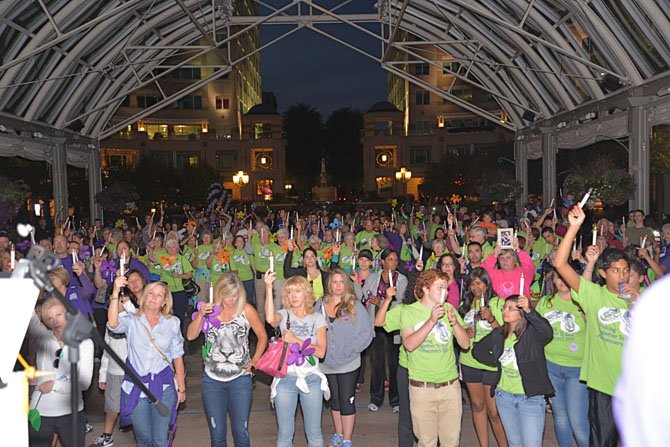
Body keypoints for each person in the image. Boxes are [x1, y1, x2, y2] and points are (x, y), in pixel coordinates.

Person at [553, 205, 633, 447]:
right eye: (616, 271)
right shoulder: (594, 296)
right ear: (603, 273)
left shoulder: (641, 299)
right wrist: (574, 227)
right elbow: (561, 264)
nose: (622, 276)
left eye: (626, 271)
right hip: (603, 388)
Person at [186, 272, 268, 447]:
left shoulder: (246, 310)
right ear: (219, 293)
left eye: (235, 295)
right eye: (227, 295)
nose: (231, 300)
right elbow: (191, 336)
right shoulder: (209, 311)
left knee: (241, 433)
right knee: (217, 434)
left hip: (241, 379)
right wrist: (200, 315)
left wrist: (254, 362)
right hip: (211, 380)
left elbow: (262, 336)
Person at [107, 281, 186, 447]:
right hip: (136, 388)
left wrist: (181, 389)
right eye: (150, 293)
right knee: (144, 439)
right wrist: (115, 291)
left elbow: (177, 356)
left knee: (160, 440)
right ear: (144, 296)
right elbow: (113, 325)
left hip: (163, 387)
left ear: (165, 301)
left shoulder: (173, 323)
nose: (153, 298)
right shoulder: (132, 320)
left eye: (159, 295)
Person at [400, 269, 470, 447]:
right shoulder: (409, 311)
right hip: (422, 388)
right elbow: (409, 344)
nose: (444, 292)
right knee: (426, 442)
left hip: (450, 387)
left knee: (451, 441)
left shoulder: (449, 309)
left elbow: (465, 344)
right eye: (439, 287)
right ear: (425, 288)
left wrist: (455, 324)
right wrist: (431, 321)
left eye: (446, 288)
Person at [473, 295, 554, 447]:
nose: (505, 311)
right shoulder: (499, 334)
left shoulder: (531, 334)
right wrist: (497, 362)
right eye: (504, 307)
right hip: (504, 397)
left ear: (521, 313)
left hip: (530, 398)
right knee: (514, 443)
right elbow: (477, 351)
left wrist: (530, 310)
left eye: (511, 308)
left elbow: (547, 332)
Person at [264, 272, 329, 447]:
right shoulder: (284, 314)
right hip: (286, 379)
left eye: (297, 291)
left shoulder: (317, 318)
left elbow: (321, 352)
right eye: (290, 292)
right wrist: (269, 288)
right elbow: (270, 319)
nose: (293, 296)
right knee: (284, 435)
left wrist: (297, 341)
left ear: (306, 293)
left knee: (314, 434)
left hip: (312, 379)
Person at [317, 268, 374, 447]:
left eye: (341, 282)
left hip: (348, 363)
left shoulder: (354, 305)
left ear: (346, 284)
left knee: (346, 400)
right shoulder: (319, 305)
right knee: (334, 399)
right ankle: (339, 434)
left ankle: (347, 439)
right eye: (335, 282)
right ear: (329, 285)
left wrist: (351, 349)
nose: (338, 285)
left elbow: (367, 332)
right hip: (326, 363)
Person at [27, 297, 94, 447]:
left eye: (59, 315)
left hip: (71, 411)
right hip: (40, 410)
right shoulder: (42, 337)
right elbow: (27, 312)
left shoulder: (85, 343)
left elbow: (84, 383)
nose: (55, 321)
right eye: (49, 318)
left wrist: (54, 385)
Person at [535, 265, 589, 447]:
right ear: (554, 280)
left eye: (566, 278)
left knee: (577, 420)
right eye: (559, 278)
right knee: (560, 416)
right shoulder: (545, 303)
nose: (562, 282)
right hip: (551, 367)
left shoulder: (584, 303)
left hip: (577, 369)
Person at [94, 271, 145, 447]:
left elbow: (143, 321)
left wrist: (129, 307)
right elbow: (107, 351)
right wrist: (102, 374)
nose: (115, 304)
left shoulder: (134, 319)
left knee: (136, 406)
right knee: (112, 406)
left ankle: (142, 437)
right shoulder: (111, 323)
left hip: (135, 371)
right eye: (112, 301)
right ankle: (107, 435)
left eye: (120, 300)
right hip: (115, 370)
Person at [353, 248, 407, 412]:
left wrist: (381, 302)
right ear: (382, 261)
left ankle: (395, 400)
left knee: (394, 364)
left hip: (393, 326)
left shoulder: (401, 279)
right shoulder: (374, 277)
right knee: (376, 363)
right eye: (390, 259)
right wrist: (356, 283)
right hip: (376, 325)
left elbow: (399, 303)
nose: (393, 262)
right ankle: (376, 399)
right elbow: (363, 296)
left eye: (395, 260)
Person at [457, 268, 507, 447]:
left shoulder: (498, 302)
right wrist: (464, 333)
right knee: (477, 406)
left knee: (494, 412)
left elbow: (506, 333)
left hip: (491, 362)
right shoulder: (465, 304)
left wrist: (492, 319)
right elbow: (456, 330)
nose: (475, 287)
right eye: (472, 284)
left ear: (487, 283)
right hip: (469, 360)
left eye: (479, 283)